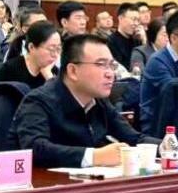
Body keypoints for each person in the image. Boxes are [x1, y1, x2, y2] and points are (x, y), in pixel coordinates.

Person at [13, 34, 160, 168]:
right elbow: (35, 149)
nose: (110, 74)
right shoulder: (38, 101)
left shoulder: (99, 101)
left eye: (112, 65)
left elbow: (133, 138)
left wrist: (166, 146)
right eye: (101, 64)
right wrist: (95, 156)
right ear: (73, 71)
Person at [0, 22, 61, 90]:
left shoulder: (54, 71)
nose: (55, 55)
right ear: (31, 47)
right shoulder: (9, 70)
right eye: (51, 49)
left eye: (58, 49)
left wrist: (49, 77)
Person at [108, 3, 145, 71]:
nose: (136, 23)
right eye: (133, 19)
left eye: (138, 20)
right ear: (120, 18)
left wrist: (144, 40)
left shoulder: (138, 40)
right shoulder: (110, 42)